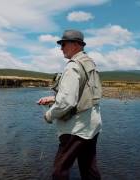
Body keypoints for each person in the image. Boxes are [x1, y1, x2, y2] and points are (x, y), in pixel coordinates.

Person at [37, 29, 102, 180]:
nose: (61, 48)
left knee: (59, 171)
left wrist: (49, 115)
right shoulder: (89, 63)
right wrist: (53, 99)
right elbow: (83, 94)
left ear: (75, 45)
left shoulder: (73, 66)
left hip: (76, 128)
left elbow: (67, 102)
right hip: (92, 125)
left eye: (63, 44)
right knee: (89, 168)